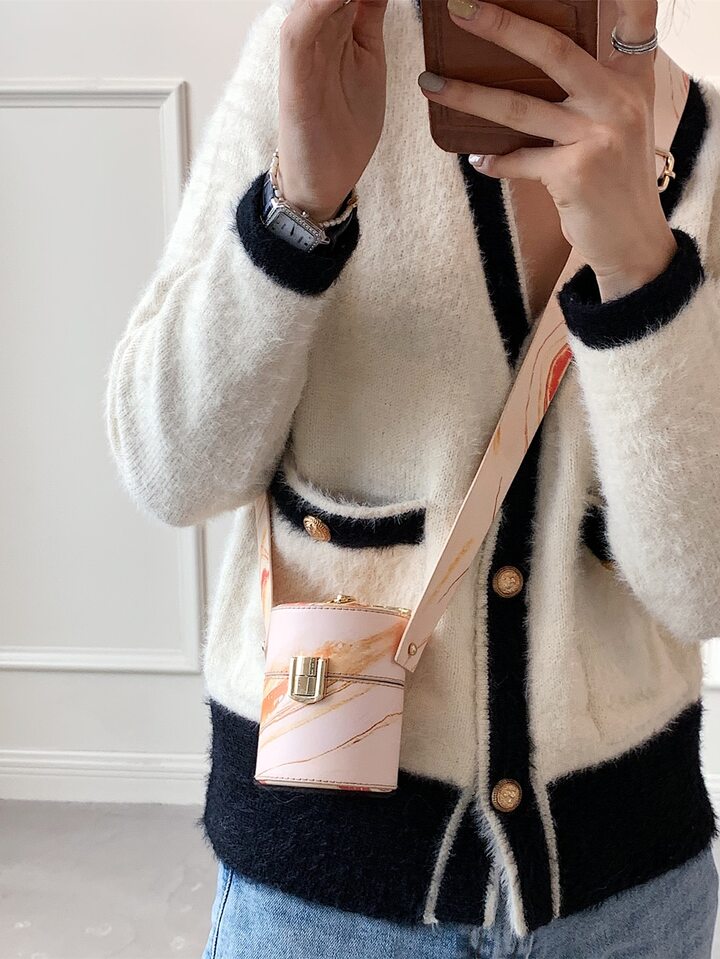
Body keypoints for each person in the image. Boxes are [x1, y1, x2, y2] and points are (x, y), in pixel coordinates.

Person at [104, 0, 720, 956]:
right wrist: (299, 205)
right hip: (325, 891)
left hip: (629, 897)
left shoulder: (706, 152)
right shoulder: (319, 64)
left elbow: (703, 589)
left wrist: (642, 267)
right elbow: (167, 468)